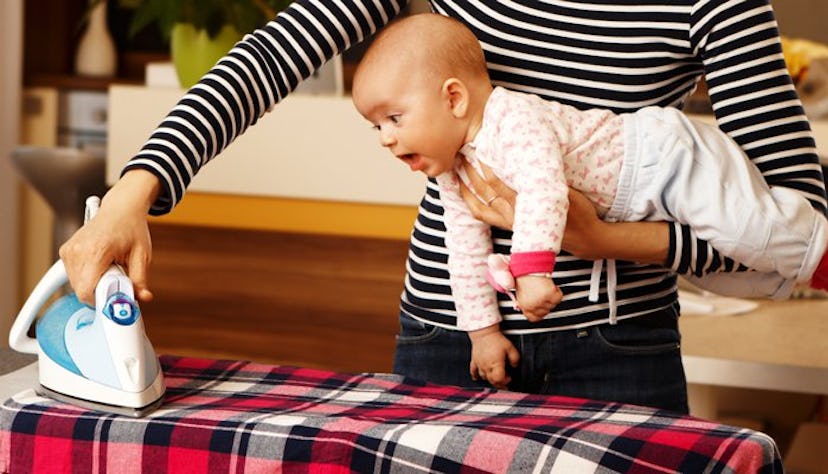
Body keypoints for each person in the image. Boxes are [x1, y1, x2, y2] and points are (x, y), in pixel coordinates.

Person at [59, 1, 826, 414]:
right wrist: (135, 191)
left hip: (619, 351)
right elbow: (275, 55)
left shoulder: (718, 5)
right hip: (448, 339)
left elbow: (799, 231)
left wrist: (608, 240)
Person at [350, 13, 828, 387]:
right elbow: (463, 248)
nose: (385, 140)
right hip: (441, 335)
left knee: (753, 229)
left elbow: (543, 191)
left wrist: (534, 270)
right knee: (748, 278)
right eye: (376, 126)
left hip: (663, 161)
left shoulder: (513, 118)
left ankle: (820, 259)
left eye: (394, 118)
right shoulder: (455, 166)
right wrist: (483, 333)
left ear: (454, 98)